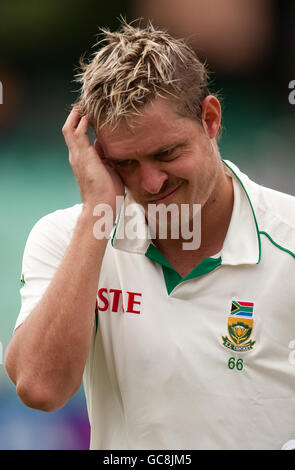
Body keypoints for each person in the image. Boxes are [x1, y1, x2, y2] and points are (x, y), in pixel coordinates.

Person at [4, 20, 295, 450]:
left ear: (210, 119)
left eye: (167, 154)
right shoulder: (67, 236)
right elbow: (40, 388)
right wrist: (97, 213)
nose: (152, 183)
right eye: (126, 164)